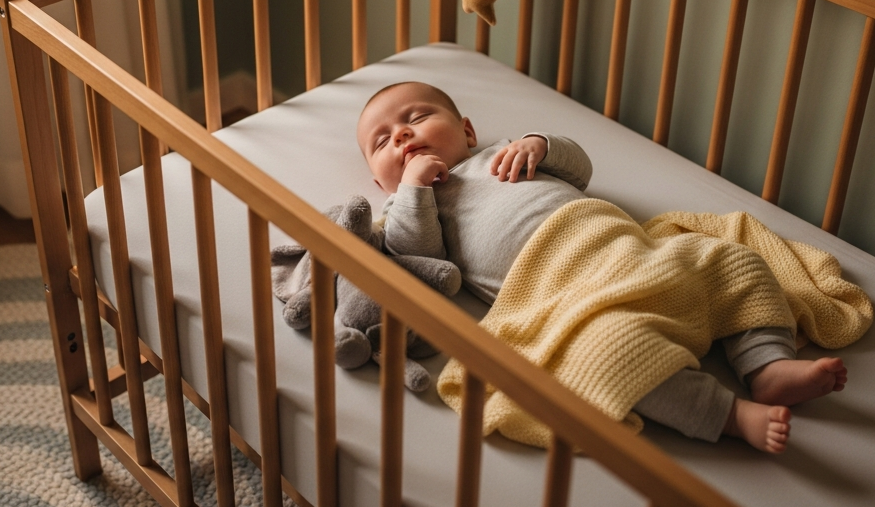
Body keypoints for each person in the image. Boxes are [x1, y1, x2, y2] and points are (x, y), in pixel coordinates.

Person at [355, 80, 849, 453]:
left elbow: (580, 170)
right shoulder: (413, 208)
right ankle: (730, 415)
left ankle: (766, 363)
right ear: (382, 187)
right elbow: (415, 254)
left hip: (626, 247)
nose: (402, 135)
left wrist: (538, 144)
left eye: (417, 117)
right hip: (563, 293)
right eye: (382, 143)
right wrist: (414, 191)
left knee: (732, 263)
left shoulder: (499, 155)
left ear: (467, 131)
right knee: (610, 357)